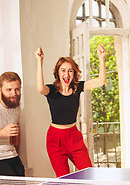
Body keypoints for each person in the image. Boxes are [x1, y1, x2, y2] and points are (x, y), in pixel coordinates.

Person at [35, 45, 107, 177]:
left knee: (88, 174)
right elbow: (40, 89)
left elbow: (101, 80)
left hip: (73, 137)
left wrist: (101, 58)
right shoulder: (51, 90)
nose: (66, 74)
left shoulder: (77, 87)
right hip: (55, 139)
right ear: (58, 72)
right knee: (64, 179)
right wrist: (39, 61)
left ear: (74, 73)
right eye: (63, 70)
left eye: (70, 71)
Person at [0, 72, 24, 176]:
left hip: (12, 154)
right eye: (9, 90)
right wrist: (2, 133)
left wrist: (17, 152)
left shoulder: (16, 105)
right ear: (0, 90)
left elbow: (17, 132)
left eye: (17, 89)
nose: (14, 93)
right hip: (1, 158)